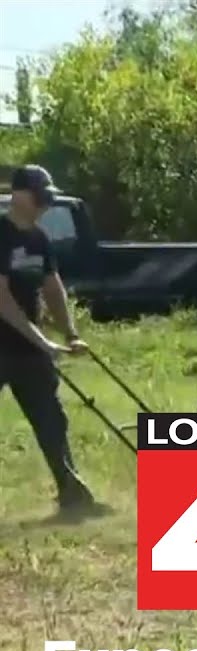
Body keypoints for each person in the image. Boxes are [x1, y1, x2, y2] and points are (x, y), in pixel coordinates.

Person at [0, 165, 103, 519]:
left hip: (27, 346)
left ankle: (73, 494)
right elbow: (1, 300)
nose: (45, 204)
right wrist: (42, 341)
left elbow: (51, 286)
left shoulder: (39, 238)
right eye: (39, 197)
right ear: (19, 194)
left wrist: (70, 333)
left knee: (51, 419)